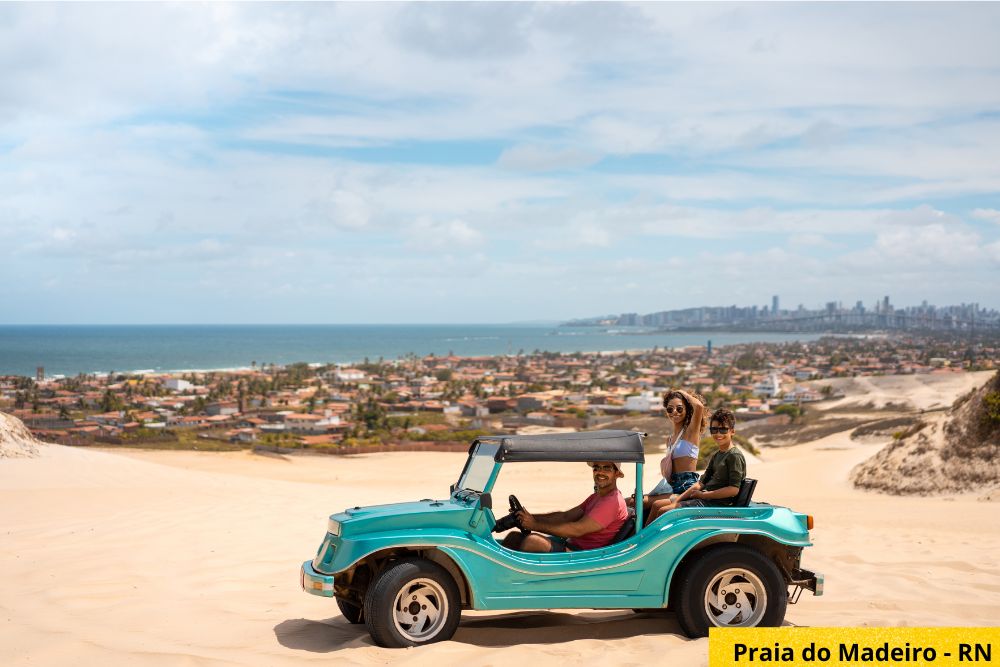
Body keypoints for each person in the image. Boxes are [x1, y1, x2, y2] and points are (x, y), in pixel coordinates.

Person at [501, 461, 628, 553]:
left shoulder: (612, 502)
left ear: (617, 473)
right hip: (572, 545)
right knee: (513, 537)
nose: (600, 472)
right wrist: (529, 517)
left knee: (532, 542)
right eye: (596, 468)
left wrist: (535, 525)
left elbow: (576, 529)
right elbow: (565, 516)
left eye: (606, 468)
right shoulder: (597, 497)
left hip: (586, 556)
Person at [646, 407, 746, 523]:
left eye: (723, 430)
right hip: (705, 499)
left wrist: (704, 495)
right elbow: (700, 483)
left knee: (664, 510)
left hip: (716, 505)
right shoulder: (717, 455)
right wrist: (679, 499)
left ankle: (651, 540)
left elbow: (733, 489)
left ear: (732, 431)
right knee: (657, 504)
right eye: (714, 430)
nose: (718, 434)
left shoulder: (734, 456)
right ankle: (641, 538)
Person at [629, 389, 706, 515]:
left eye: (679, 408)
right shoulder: (669, 439)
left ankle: (645, 535)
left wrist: (680, 392)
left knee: (655, 506)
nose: (674, 412)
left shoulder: (691, 433)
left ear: (687, 410)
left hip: (685, 488)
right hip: (670, 486)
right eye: (670, 409)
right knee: (633, 501)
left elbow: (698, 406)